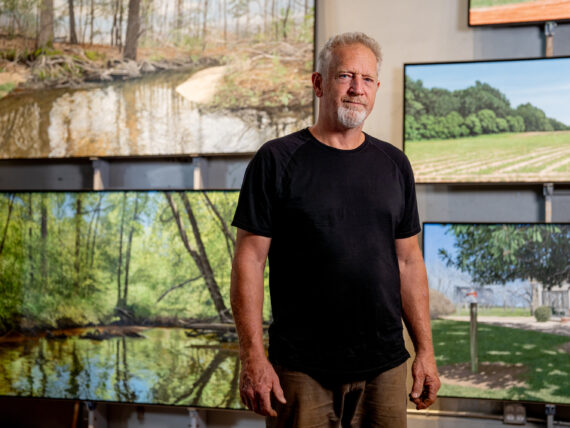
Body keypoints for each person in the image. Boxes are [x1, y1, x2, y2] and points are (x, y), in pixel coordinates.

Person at [230, 32, 440, 427]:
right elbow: (249, 260)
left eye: (367, 79)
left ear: (377, 88)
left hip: (385, 368)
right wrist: (254, 358)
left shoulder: (394, 164)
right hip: (300, 369)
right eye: (345, 76)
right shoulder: (276, 160)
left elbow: (410, 262)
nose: (357, 89)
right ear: (319, 83)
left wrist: (425, 352)